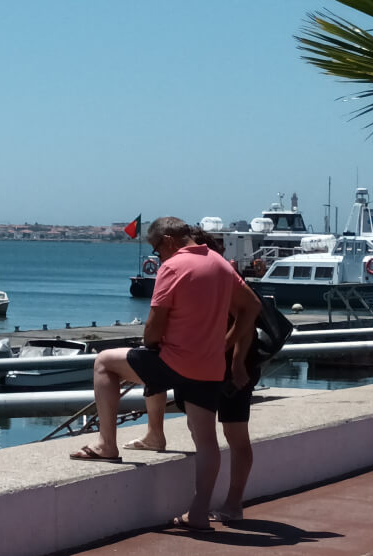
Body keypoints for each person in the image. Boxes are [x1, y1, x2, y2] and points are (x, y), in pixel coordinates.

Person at [69, 216, 260, 533]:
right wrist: (224, 345)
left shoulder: (172, 268)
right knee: (207, 441)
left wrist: (151, 344)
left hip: (175, 361)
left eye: (157, 249)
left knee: (104, 362)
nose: (157, 256)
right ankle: (198, 512)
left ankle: (107, 445)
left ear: (169, 241)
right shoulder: (221, 264)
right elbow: (251, 308)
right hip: (210, 367)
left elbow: (153, 327)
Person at [127, 228, 259, 523]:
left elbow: (248, 315)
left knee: (234, 434)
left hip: (231, 364)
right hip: (204, 364)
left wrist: (234, 360)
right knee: (203, 431)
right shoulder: (211, 272)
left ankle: (233, 502)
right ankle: (213, 503)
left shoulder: (221, 275)